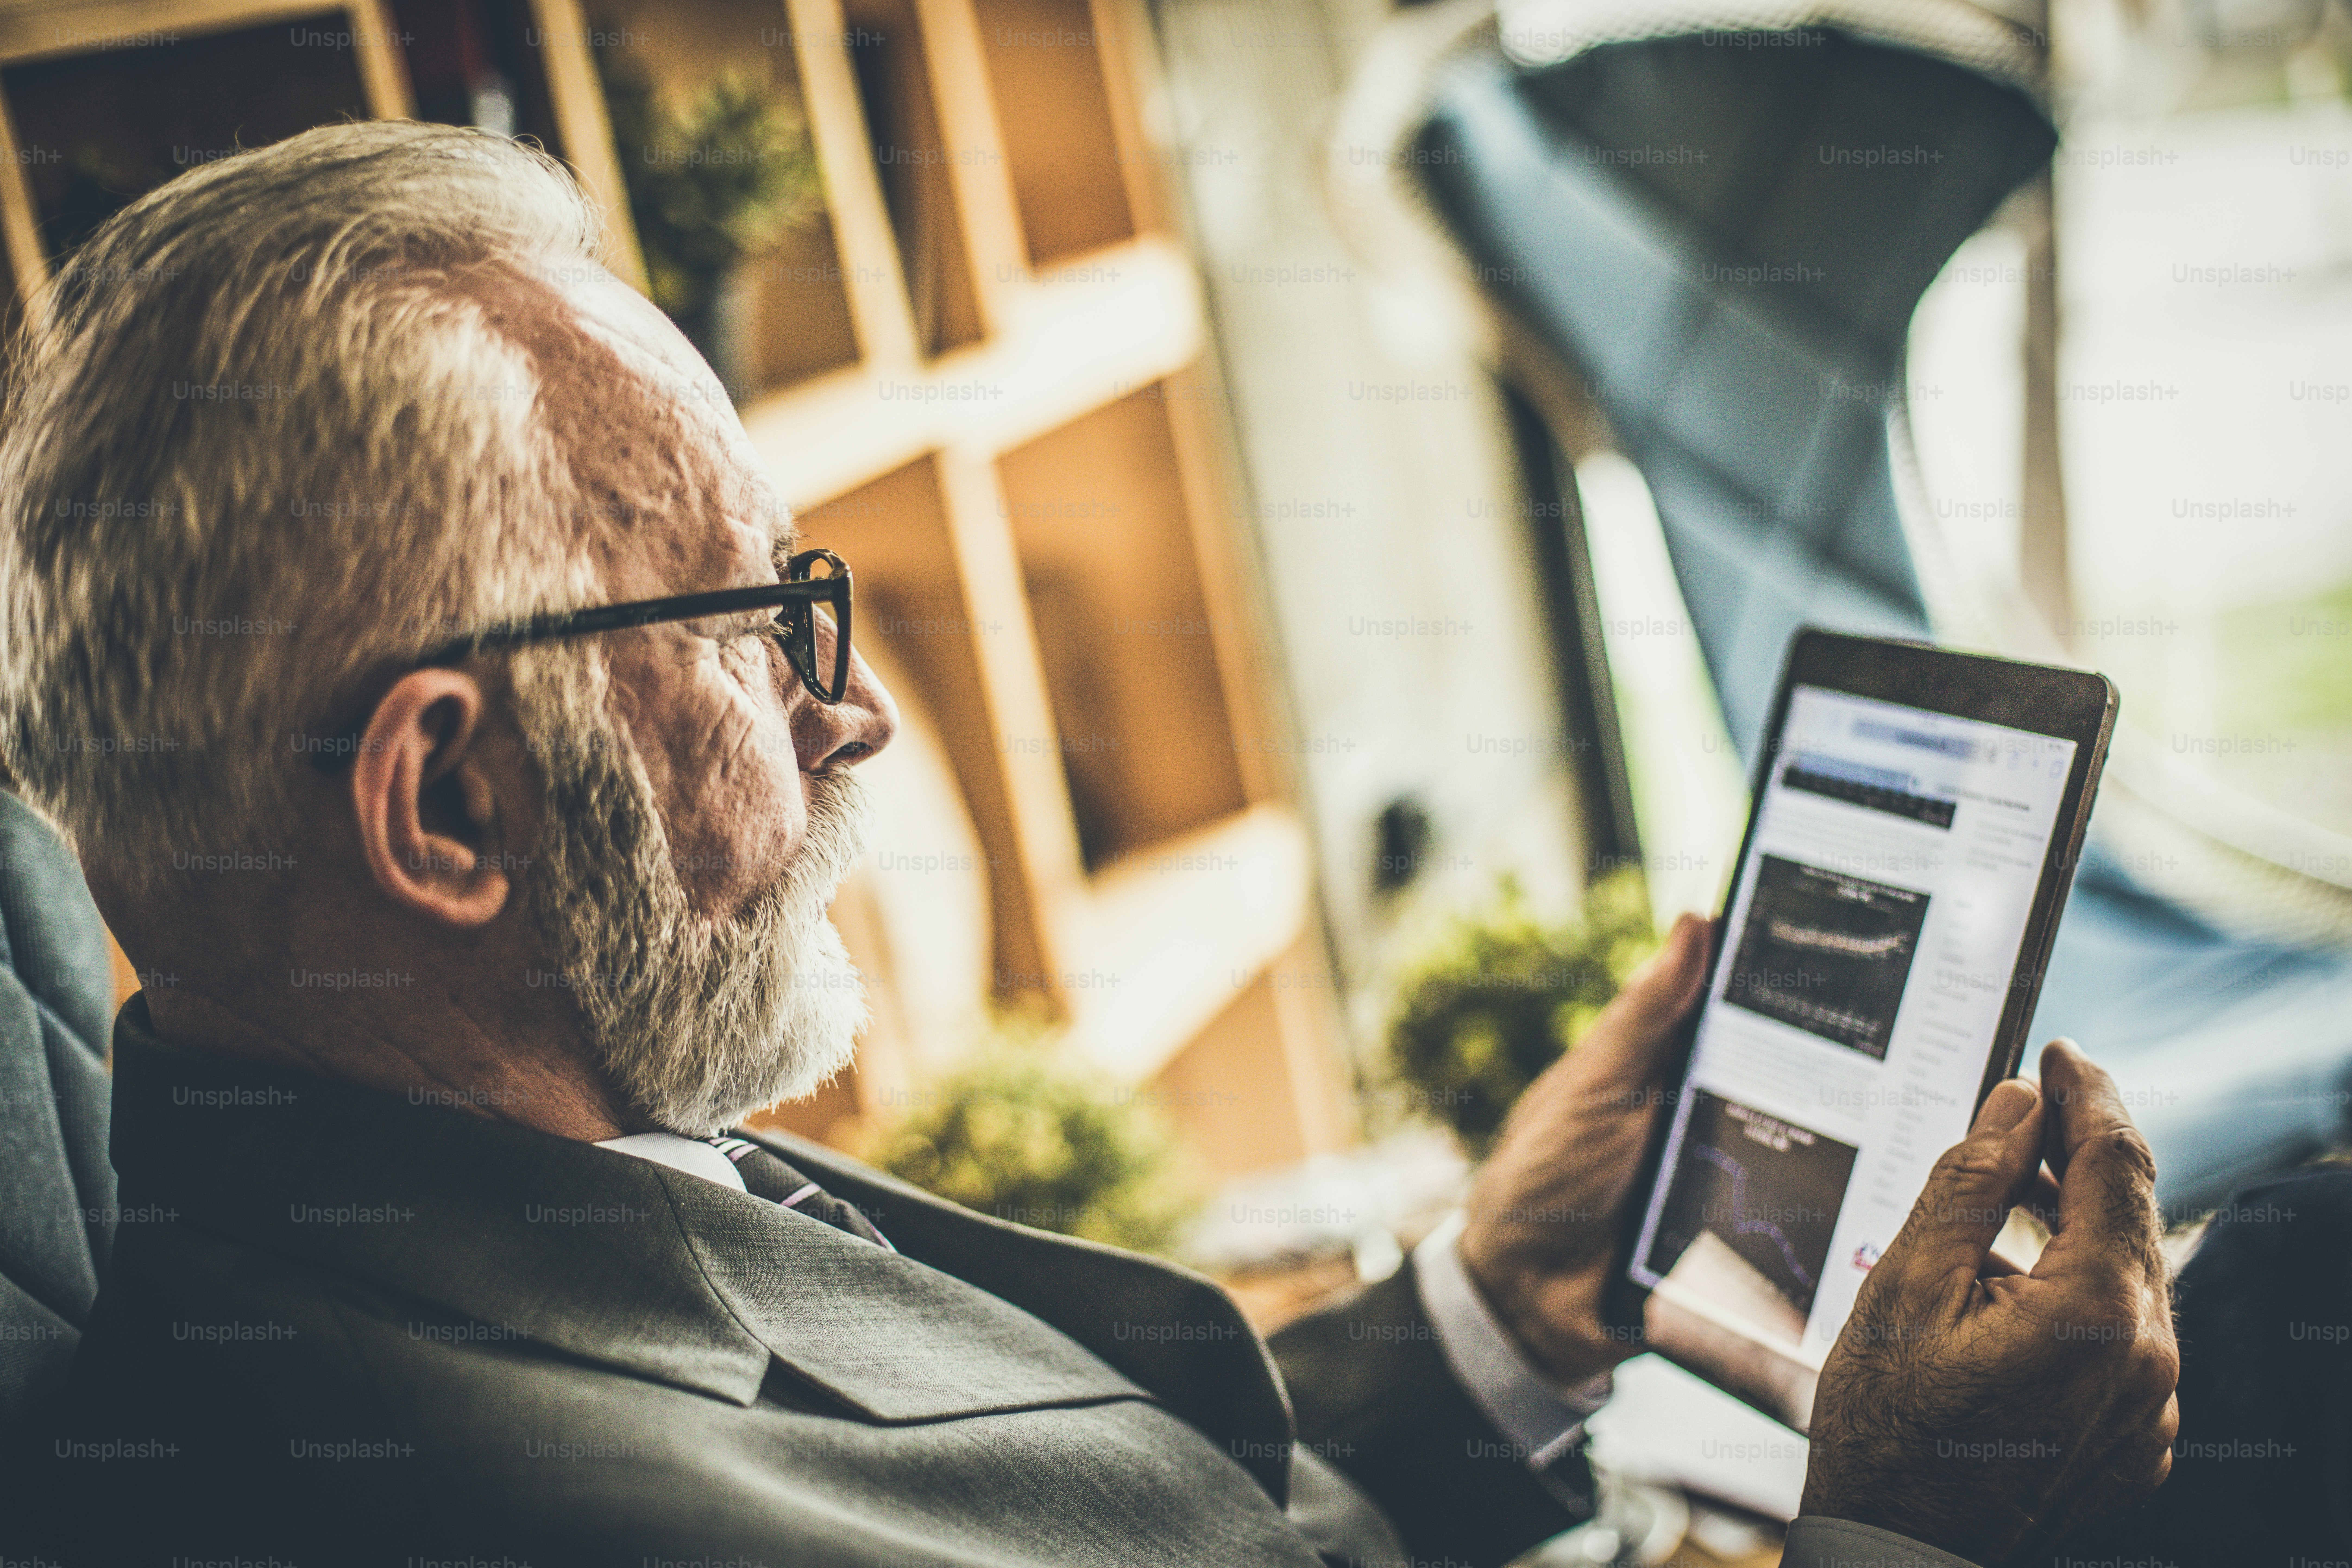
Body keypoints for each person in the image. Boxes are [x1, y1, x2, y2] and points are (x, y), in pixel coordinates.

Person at [0, 121, 2176, 1568]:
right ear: (449, 803)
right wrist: (1911, 1526)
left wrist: (1496, 1307)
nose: (852, 707)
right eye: (757, 622)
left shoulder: (427, 1177)